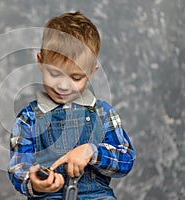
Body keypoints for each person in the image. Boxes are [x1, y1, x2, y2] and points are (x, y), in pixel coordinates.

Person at [8, 11, 135, 199]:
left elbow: (126, 159)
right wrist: (33, 180)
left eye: (76, 77)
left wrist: (92, 151)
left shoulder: (103, 114)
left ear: (91, 72)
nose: (63, 85)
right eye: (54, 74)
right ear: (40, 63)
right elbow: (18, 167)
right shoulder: (28, 119)